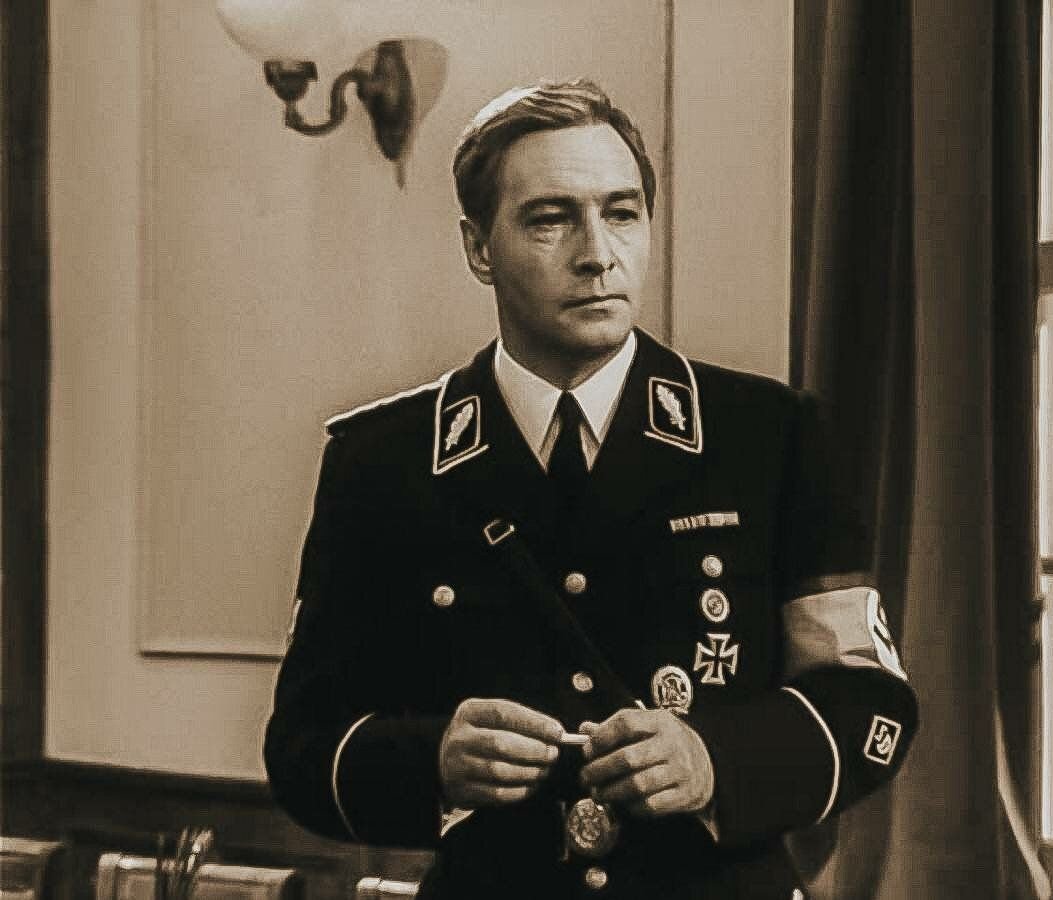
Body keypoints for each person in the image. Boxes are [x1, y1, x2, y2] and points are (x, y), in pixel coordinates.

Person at [264, 79, 918, 899]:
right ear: (479, 249)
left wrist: (715, 759)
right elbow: (301, 748)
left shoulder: (769, 437)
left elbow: (871, 707)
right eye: (551, 219)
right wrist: (431, 761)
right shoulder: (383, 462)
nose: (597, 254)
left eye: (622, 213)